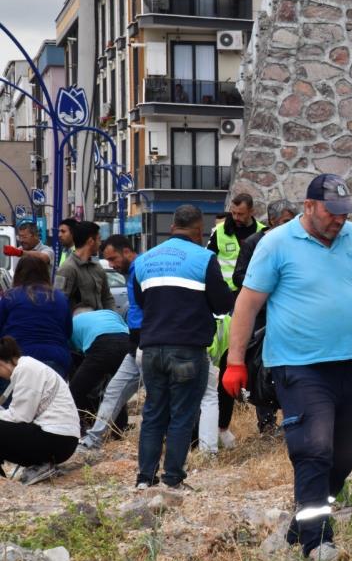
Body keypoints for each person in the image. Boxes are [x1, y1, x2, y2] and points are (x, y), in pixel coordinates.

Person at [221, 173, 352, 561]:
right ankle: (317, 543)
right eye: (332, 212)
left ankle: (303, 520)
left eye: (345, 213)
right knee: (313, 449)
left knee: (344, 457)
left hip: (351, 364)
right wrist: (234, 362)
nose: (339, 220)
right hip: (299, 365)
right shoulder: (276, 244)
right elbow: (247, 303)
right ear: (309, 206)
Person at [132, 205, 233, 490]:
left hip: (151, 348)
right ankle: (172, 479)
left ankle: (144, 479)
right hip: (188, 349)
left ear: (172, 225)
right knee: (182, 415)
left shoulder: (144, 260)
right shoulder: (204, 258)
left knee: (153, 413)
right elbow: (223, 304)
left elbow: (142, 301)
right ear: (199, 230)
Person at [214, 199, 297, 443]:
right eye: (285, 222)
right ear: (272, 222)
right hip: (260, 316)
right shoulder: (254, 243)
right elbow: (240, 276)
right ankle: (267, 422)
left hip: (289, 315)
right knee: (262, 368)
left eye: (292, 221)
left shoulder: (298, 244)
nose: (290, 226)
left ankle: (292, 419)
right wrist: (263, 285)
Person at [78, 235, 142, 452]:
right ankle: (101, 437)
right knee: (115, 390)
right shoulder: (131, 274)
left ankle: (86, 433)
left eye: (113, 259)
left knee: (83, 389)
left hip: (144, 344)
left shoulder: (140, 269)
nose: (112, 265)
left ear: (126, 251)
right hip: (130, 343)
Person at [0, 336, 80, 485]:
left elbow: (19, 416)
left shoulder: (26, 369)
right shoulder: (27, 367)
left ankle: (6, 482)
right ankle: (38, 465)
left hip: (57, 440)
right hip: (61, 440)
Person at [0, 257, 73, 377]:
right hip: (56, 359)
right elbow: (68, 333)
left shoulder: (10, 297)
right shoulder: (60, 298)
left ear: (18, 273)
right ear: (45, 273)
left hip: (17, 360)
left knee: (16, 395)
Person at [68, 307, 131, 425]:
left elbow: (75, 354)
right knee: (117, 390)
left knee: (76, 391)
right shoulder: (109, 313)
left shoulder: (73, 322)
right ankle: (121, 428)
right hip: (126, 342)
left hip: (100, 345)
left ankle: (80, 426)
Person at [208, 193, 266, 291]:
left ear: (251, 212)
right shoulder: (219, 231)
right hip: (226, 291)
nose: (235, 217)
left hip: (252, 290)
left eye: (240, 214)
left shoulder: (263, 232)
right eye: (233, 213)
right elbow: (208, 261)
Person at [56, 221, 114, 312]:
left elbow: (107, 298)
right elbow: (58, 303)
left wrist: (113, 319)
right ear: (91, 241)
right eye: (99, 239)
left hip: (99, 324)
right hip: (77, 325)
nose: (100, 244)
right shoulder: (68, 268)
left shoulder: (98, 268)